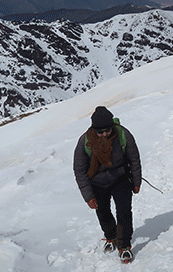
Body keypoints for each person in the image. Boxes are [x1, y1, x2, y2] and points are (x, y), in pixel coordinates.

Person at [73, 106, 142, 263]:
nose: (104, 134)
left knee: (124, 211)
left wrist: (136, 182)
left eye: (107, 130)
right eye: (100, 132)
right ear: (94, 129)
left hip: (121, 179)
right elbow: (80, 170)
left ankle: (124, 245)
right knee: (102, 211)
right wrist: (88, 196)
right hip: (97, 183)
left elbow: (134, 159)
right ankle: (111, 236)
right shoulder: (86, 142)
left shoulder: (123, 135)